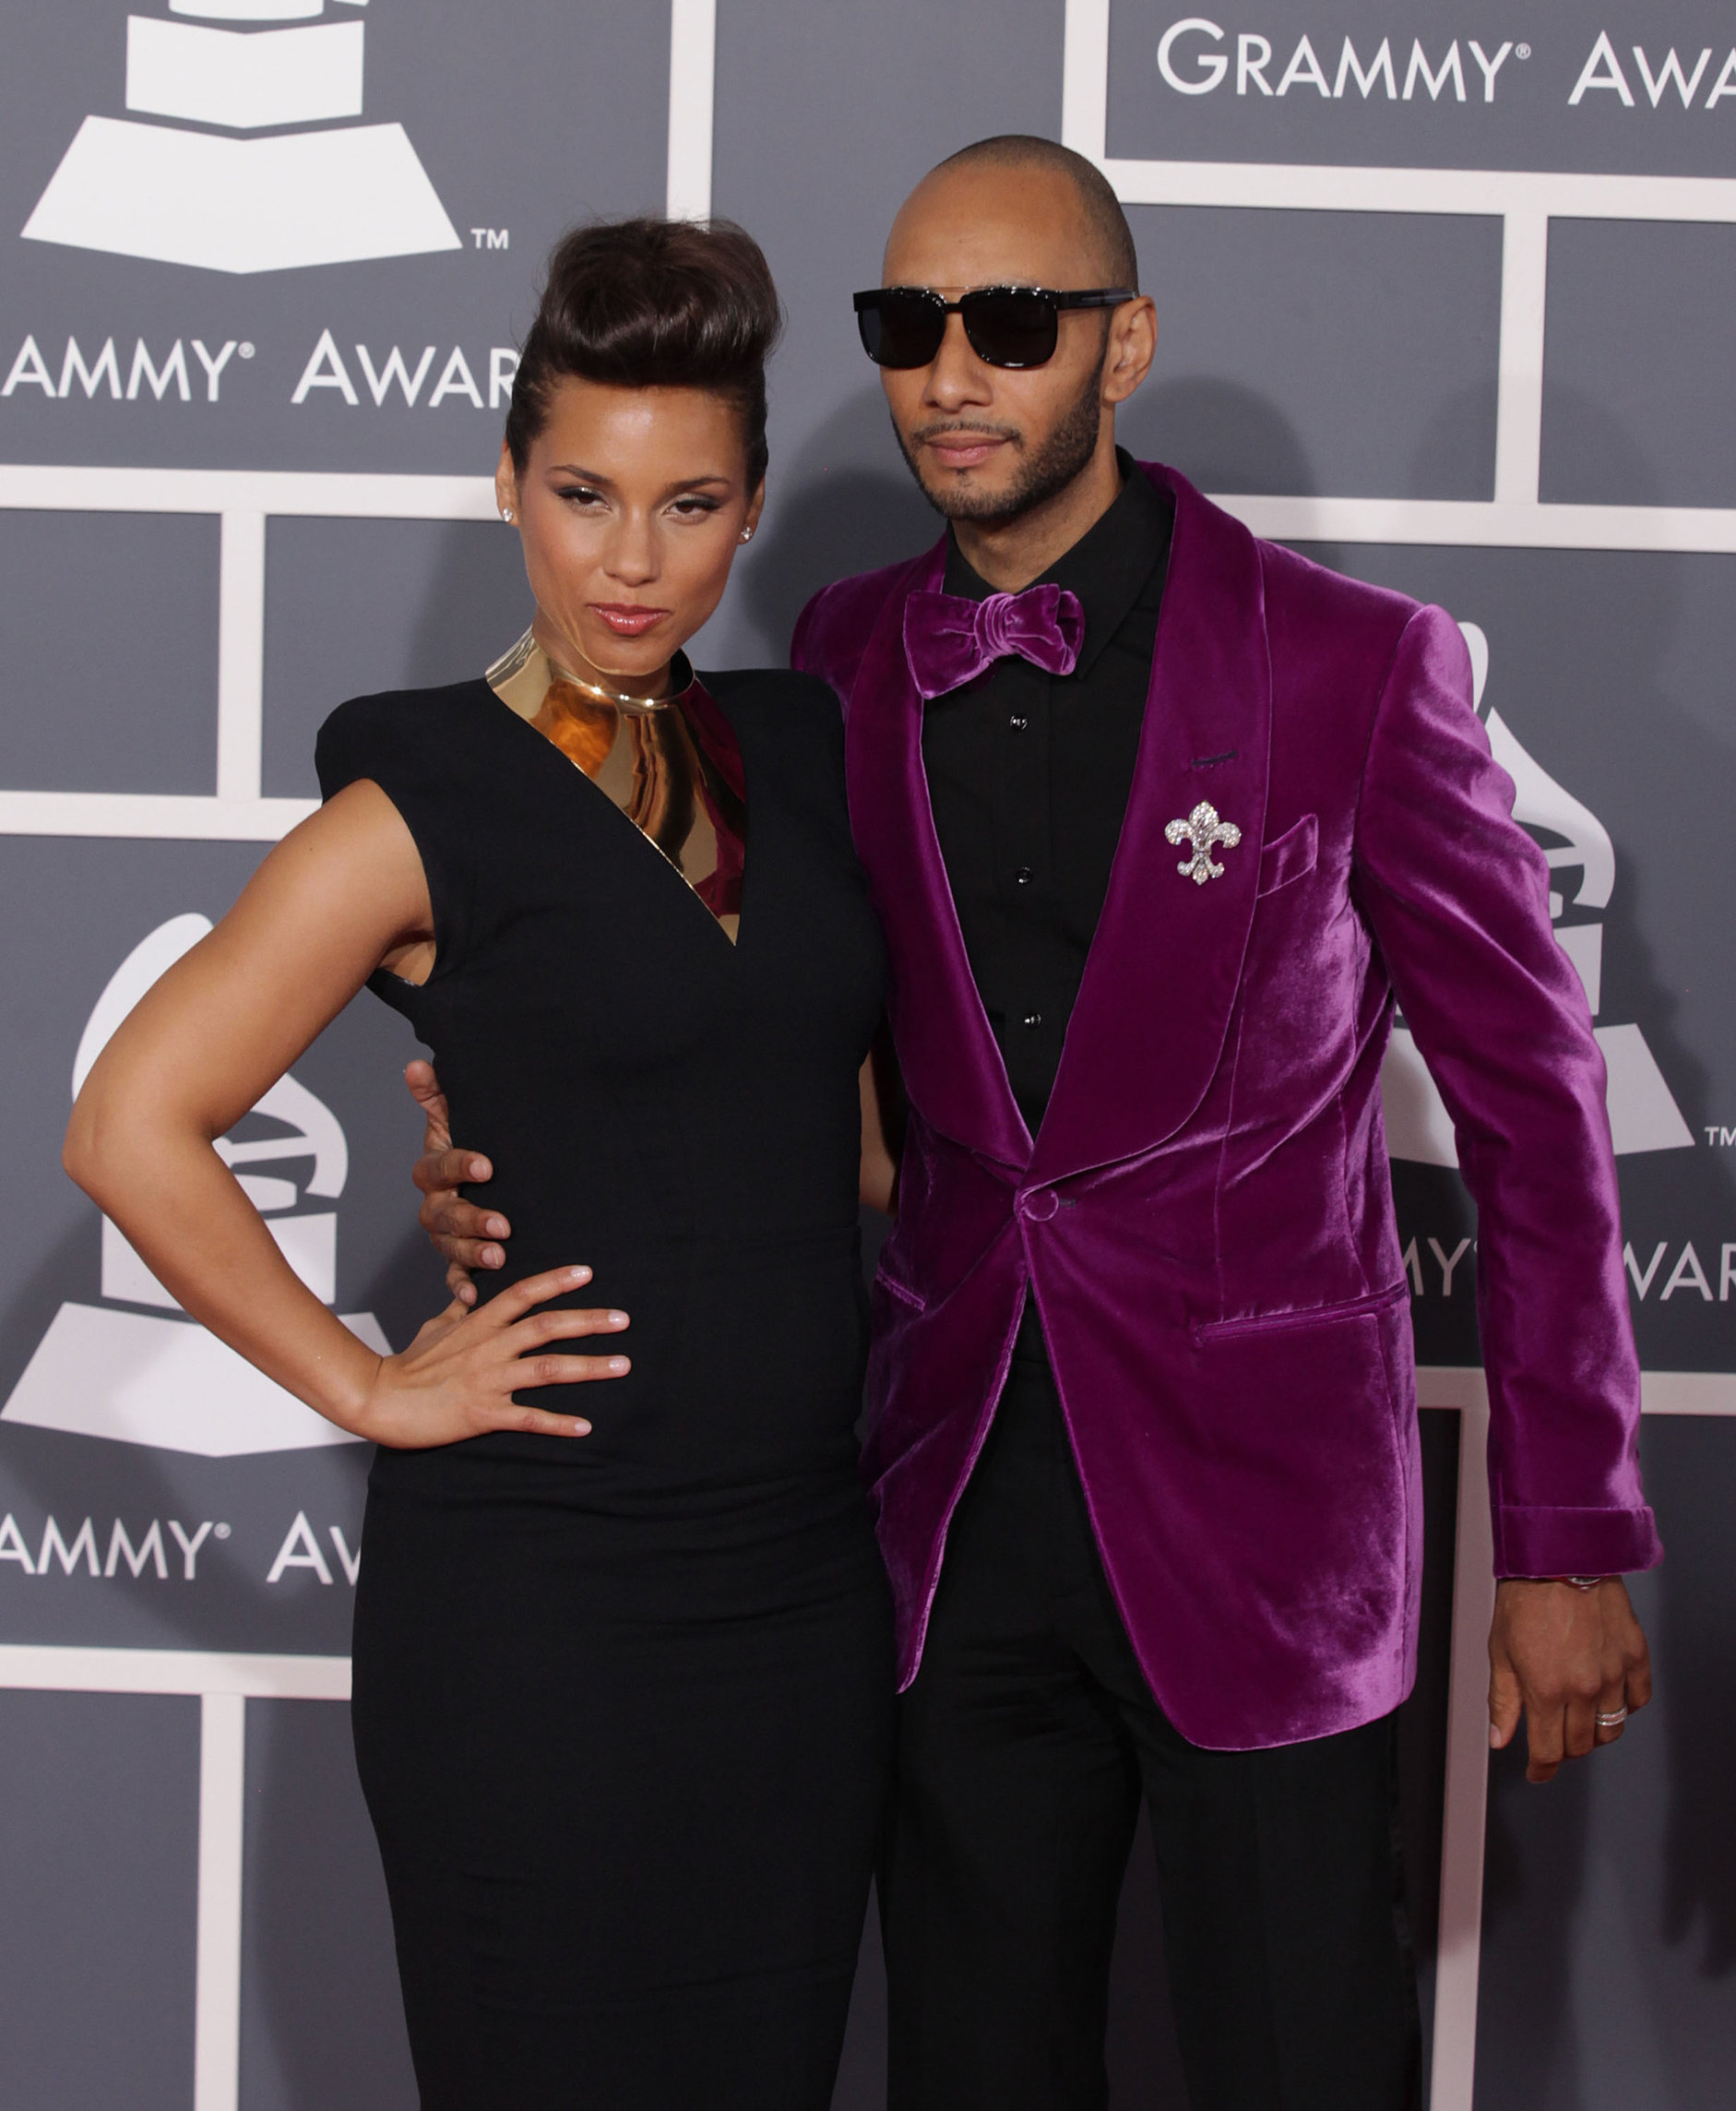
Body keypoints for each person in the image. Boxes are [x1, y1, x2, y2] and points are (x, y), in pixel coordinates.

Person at [416, 142, 1660, 2109]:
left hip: (1269, 1533)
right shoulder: (834, 663)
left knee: (1304, 2066)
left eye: (1009, 323)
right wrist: (511, 1149)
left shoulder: (1348, 662)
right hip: (941, 1513)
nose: (950, 374)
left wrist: (1567, 1539)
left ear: (1121, 344)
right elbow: (753, 1044)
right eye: (906, 326)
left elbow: (1534, 1107)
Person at [63, 217, 898, 2111]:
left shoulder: (800, 750)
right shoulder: (419, 800)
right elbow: (129, 1122)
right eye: (583, 494)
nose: (630, 558)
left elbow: (844, 1138)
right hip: (541, 1616)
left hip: (801, 1597)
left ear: (753, 507)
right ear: (508, 481)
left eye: (688, 504)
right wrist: (369, 1382)